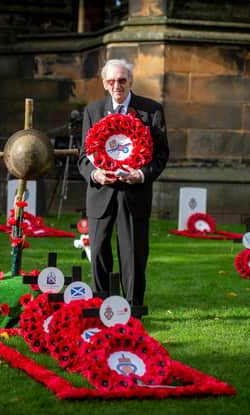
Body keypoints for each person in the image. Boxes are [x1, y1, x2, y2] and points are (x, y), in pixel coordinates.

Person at [77, 58, 169, 306]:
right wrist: (95, 174)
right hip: (101, 195)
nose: (117, 85)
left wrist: (140, 175)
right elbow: (84, 158)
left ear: (131, 81)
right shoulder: (93, 111)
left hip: (134, 195)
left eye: (122, 80)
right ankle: (101, 305)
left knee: (133, 255)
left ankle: (132, 307)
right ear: (105, 84)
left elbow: (161, 154)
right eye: (111, 81)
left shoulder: (151, 111)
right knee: (97, 254)